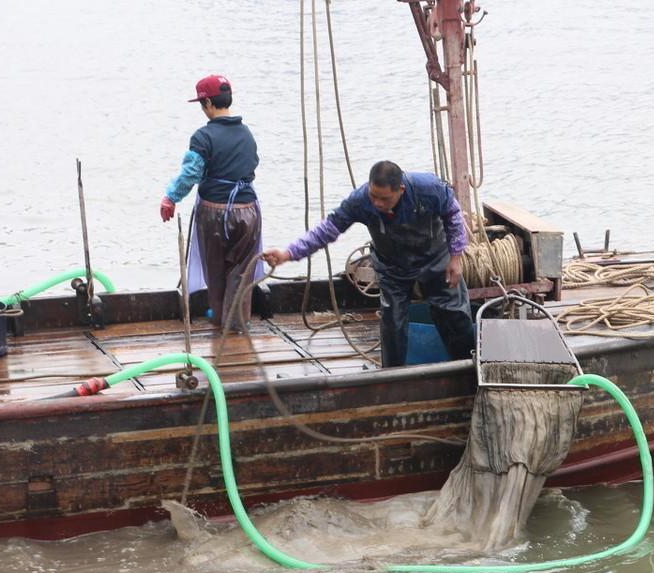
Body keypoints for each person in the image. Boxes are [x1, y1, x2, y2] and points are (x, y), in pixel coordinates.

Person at [262, 161, 475, 367]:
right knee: (392, 321)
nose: (377, 203)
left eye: (384, 199)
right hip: (392, 266)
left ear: (400, 190)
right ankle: (393, 376)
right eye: (373, 196)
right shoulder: (359, 200)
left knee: (453, 313)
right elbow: (327, 230)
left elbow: (453, 216)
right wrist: (289, 253)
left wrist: (455, 257)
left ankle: (467, 365)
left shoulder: (429, 188)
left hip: (435, 258)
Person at [159, 74, 262, 332]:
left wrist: (170, 197)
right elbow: (253, 164)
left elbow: (191, 173)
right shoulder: (247, 134)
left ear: (207, 104)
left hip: (214, 213)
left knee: (215, 271)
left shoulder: (203, 137)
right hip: (248, 212)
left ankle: (220, 320)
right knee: (241, 271)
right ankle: (237, 325)